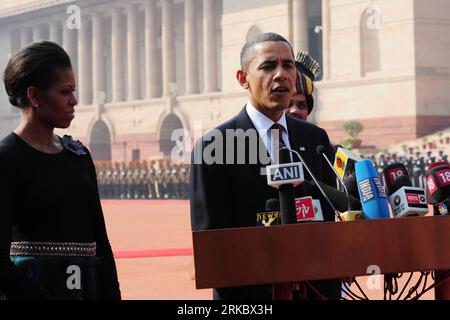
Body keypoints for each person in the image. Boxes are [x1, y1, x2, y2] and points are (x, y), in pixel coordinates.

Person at [190, 33, 341, 300]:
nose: (281, 74)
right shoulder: (214, 147)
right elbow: (213, 246)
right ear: (243, 78)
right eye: (268, 66)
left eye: (288, 65)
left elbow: (328, 224)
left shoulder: (315, 139)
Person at [0, 41, 121, 300]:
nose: (74, 101)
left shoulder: (78, 155)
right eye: (65, 92)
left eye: (74, 91)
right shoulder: (6, 158)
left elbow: (101, 245)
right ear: (34, 96)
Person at [288, 51, 321, 121]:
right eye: (288, 105)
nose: (295, 110)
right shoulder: (268, 131)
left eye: (302, 106)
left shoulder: (316, 132)